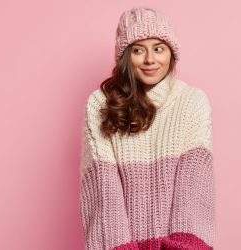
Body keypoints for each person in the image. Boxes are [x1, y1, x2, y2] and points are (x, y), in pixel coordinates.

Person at [79, 6, 215, 250]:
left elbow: (193, 190)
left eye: (159, 49)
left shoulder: (192, 101)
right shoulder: (100, 104)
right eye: (139, 50)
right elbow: (104, 193)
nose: (150, 59)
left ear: (171, 53)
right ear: (125, 56)